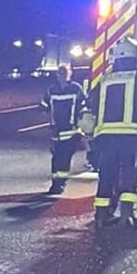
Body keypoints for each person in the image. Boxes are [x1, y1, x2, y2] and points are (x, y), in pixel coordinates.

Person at [85, 35, 137, 228]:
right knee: (131, 173)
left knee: (106, 175)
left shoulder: (104, 79)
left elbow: (91, 103)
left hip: (106, 138)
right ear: (135, 57)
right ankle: (126, 215)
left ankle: (101, 215)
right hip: (132, 137)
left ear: (117, 58)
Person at [39, 64, 86, 195]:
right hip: (56, 132)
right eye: (60, 73)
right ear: (57, 75)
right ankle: (56, 183)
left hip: (71, 131)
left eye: (64, 73)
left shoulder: (76, 89)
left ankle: (60, 184)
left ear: (69, 74)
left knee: (64, 158)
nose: (62, 75)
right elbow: (44, 106)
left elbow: (83, 106)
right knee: (56, 159)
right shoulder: (51, 90)